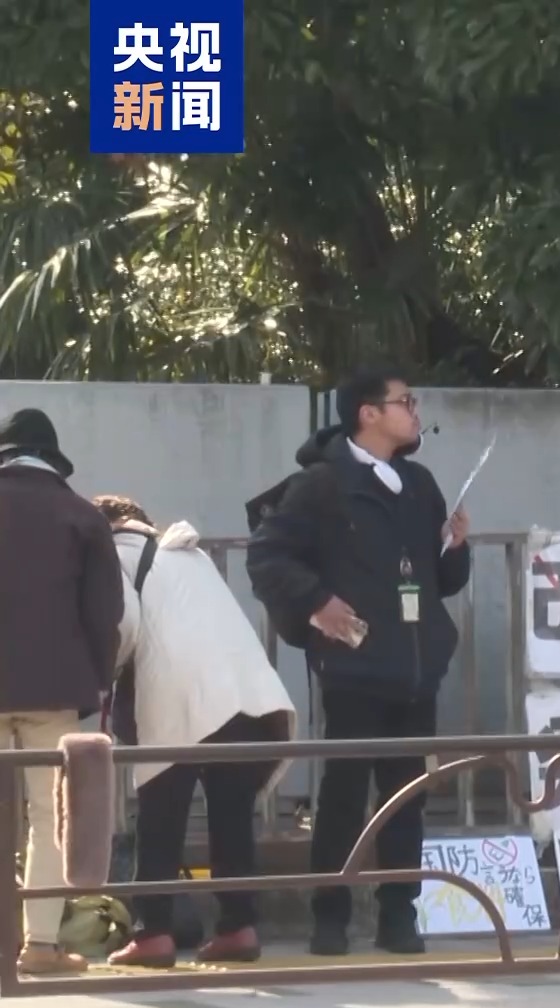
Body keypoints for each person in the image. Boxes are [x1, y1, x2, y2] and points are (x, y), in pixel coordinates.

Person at [245, 370, 471, 957]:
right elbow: (268, 556)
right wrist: (316, 602)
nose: (415, 412)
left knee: (408, 796)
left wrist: (455, 547)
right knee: (344, 796)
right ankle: (331, 916)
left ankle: (399, 914)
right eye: (405, 401)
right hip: (354, 665)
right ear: (368, 413)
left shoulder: (419, 483)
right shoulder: (322, 484)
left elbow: (442, 580)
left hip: (417, 668)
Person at [93, 496, 295, 969]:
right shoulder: (189, 554)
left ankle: (153, 934)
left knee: (160, 817)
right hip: (247, 695)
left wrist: (101, 673)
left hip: (179, 697)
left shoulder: (115, 555)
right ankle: (238, 927)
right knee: (232, 816)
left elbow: (122, 625)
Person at [0, 408, 123, 976]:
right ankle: (41, 945)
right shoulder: (82, 516)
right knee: (50, 820)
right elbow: (105, 614)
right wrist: (97, 682)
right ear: (52, 459)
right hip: (53, 692)